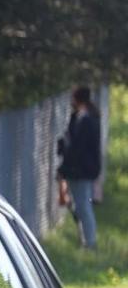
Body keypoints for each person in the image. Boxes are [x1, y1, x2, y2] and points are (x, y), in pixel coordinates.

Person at [57, 85, 104, 249]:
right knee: (78, 205)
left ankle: (90, 243)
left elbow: (79, 147)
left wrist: (65, 165)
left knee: (83, 205)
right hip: (77, 169)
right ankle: (85, 239)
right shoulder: (81, 117)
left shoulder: (86, 119)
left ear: (77, 99)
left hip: (81, 169)